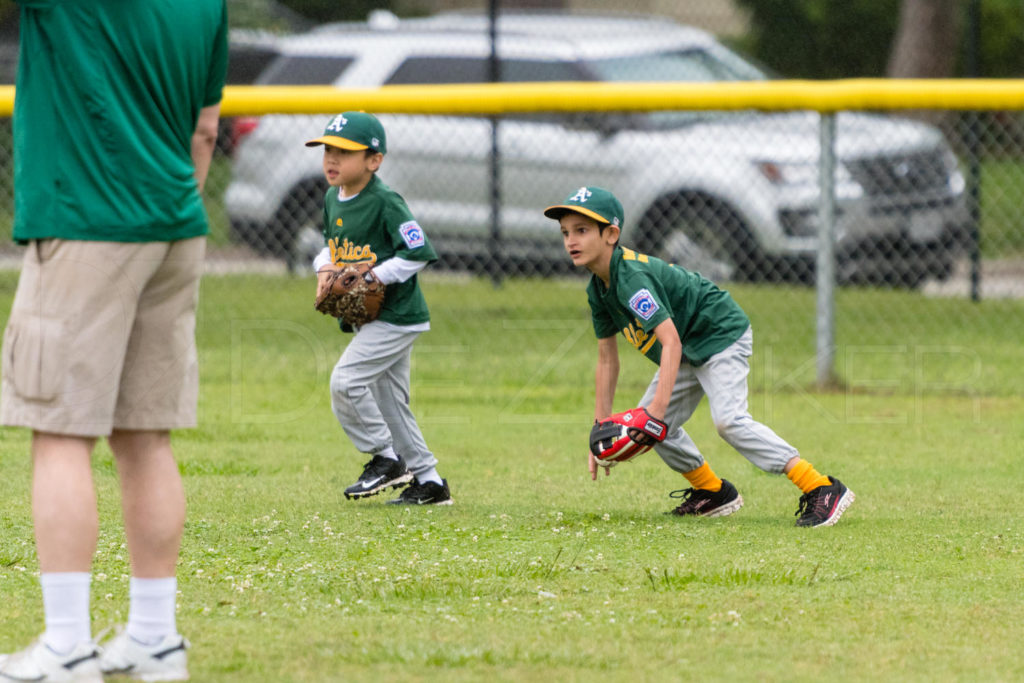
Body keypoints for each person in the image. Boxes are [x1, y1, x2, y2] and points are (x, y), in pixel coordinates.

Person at [0, 1, 227, 681]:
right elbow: (207, 130)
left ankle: (67, 645)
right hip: (175, 223)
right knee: (145, 435)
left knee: (61, 433)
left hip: (87, 219)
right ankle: (156, 637)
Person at [543, 186, 854, 527]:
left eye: (583, 230)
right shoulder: (598, 289)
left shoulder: (631, 278)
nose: (571, 240)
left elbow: (670, 341)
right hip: (686, 347)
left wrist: (656, 414)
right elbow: (606, 358)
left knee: (727, 421)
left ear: (611, 234)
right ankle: (713, 492)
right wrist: (599, 431)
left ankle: (820, 487)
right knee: (653, 427)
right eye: (566, 232)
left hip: (719, 332)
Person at [305, 112, 453, 506]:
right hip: (369, 318)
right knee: (391, 404)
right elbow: (329, 245)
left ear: (374, 160)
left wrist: (375, 278)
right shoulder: (332, 199)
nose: (331, 160)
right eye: (327, 151)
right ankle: (431, 483)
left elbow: (418, 252)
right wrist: (324, 267)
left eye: (345, 152)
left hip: (397, 317)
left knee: (346, 382)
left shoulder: (385, 201)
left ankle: (386, 458)